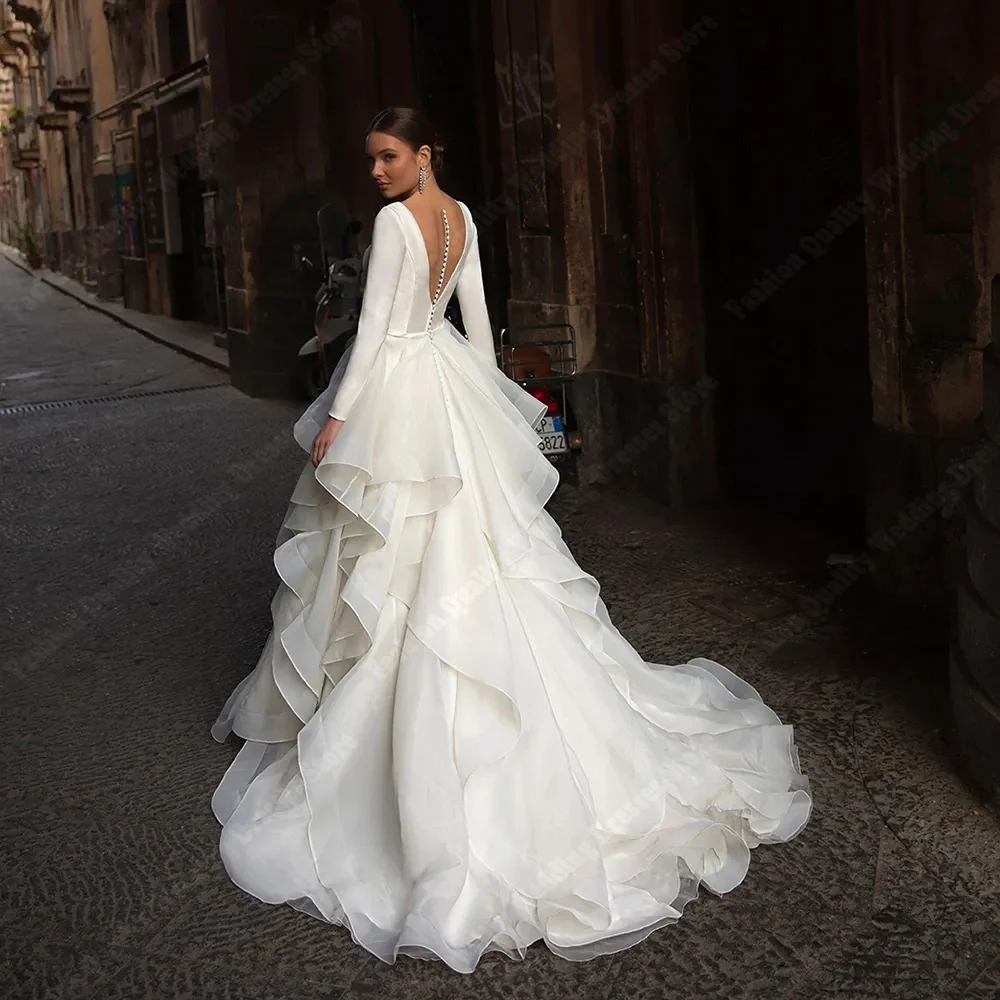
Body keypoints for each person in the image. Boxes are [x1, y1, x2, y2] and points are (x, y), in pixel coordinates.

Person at [211, 107, 811, 974]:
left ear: (422, 155)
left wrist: (338, 420)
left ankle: (407, 769)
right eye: (370, 159)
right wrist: (495, 418)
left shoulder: (391, 223)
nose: (375, 172)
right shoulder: (463, 220)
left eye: (387, 156)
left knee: (395, 557)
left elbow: (377, 333)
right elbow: (484, 328)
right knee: (481, 560)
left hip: (405, 397)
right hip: (453, 390)